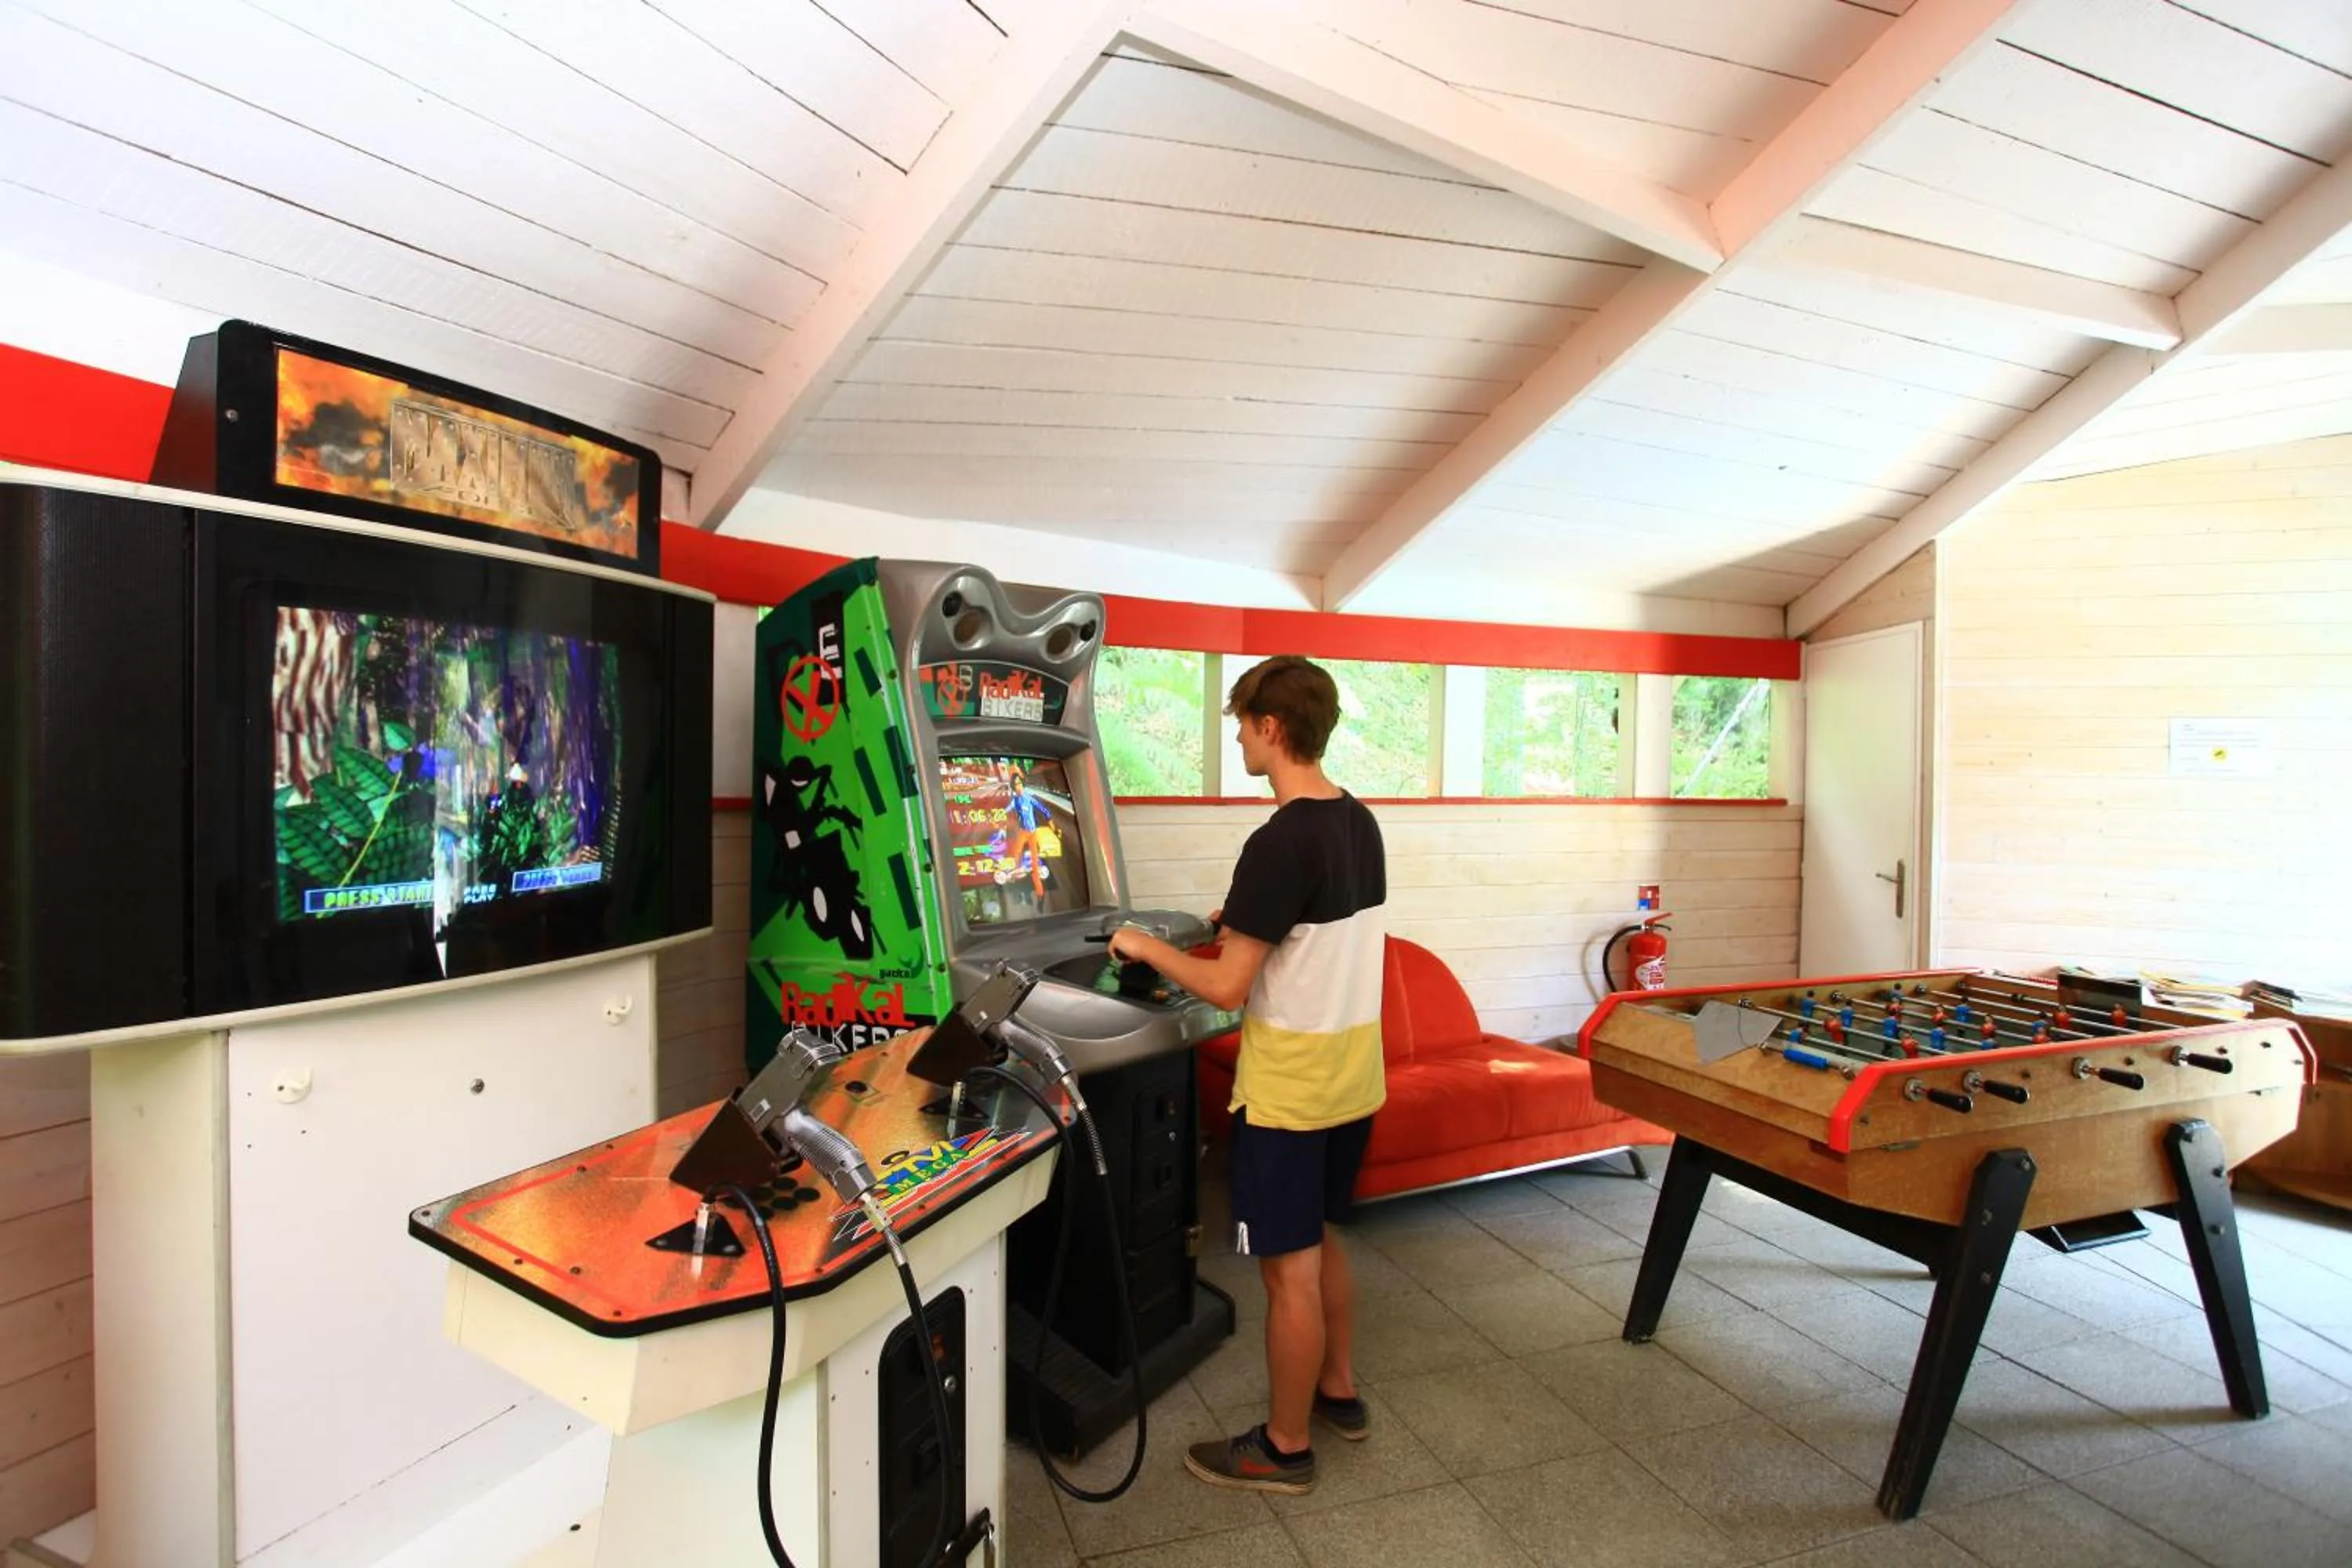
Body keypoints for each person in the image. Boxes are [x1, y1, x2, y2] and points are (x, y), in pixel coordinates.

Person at [1107, 655, 1386, 1496]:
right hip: (1353, 1077)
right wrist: (1247, 924)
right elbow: (1308, 930)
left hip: (1292, 1089)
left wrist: (1144, 944)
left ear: (1273, 726)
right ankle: (1337, 1388)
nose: (1236, 734)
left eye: (1242, 721)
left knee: (1283, 1268)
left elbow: (1228, 986)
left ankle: (1284, 1444)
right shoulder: (1357, 819)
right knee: (1323, 1237)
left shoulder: (1276, 839)